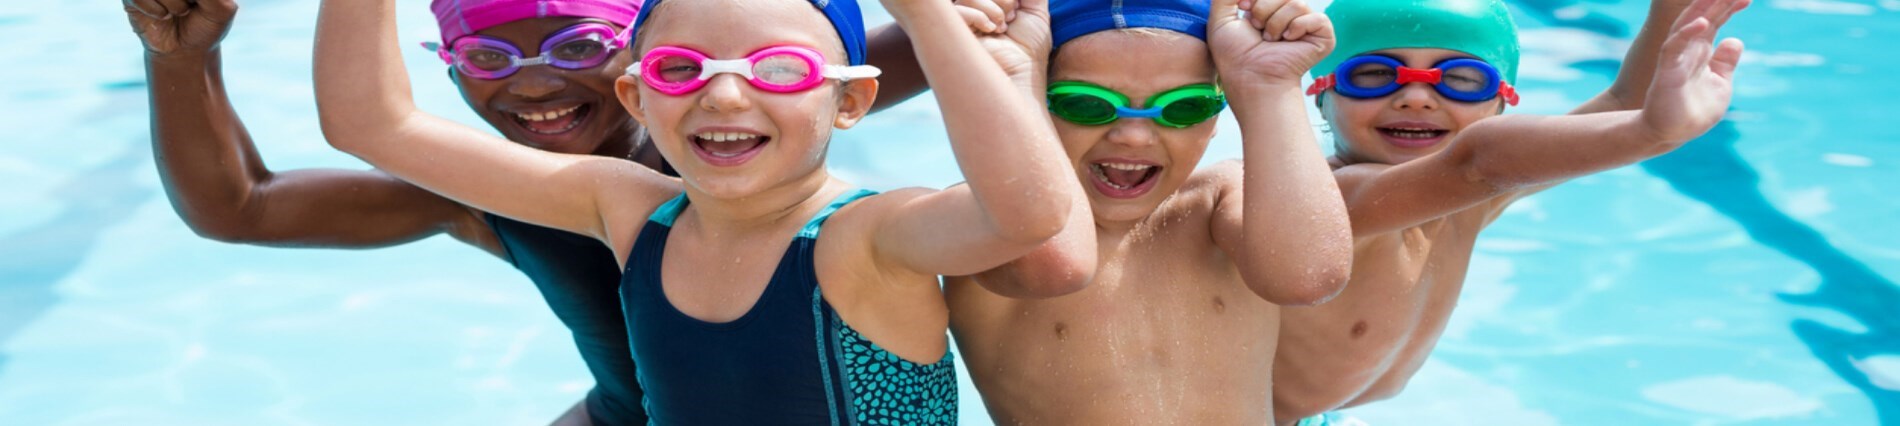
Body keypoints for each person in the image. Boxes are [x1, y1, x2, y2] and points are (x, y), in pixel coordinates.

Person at [120, 0, 937, 423]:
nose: (534, 85)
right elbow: (240, 207)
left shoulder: (739, 120)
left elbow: (953, 46)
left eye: (577, 47)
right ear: (449, 70)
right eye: (485, 56)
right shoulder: (487, 190)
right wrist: (182, 57)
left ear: (641, 58)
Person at [311, 0, 1085, 422]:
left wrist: (926, 18)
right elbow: (370, 124)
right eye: (682, 70)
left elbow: (1026, 214)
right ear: (635, 96)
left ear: (849, 100)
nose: (722, 93)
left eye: (777, 69)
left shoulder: (867, 237)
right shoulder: (626, 207)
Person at [1270, 0, 1750, 423]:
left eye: (1460, 80)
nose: (1415, 95)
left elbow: (1625, 103)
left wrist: (1675, 13)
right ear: (1323, 96)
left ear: (1502, 102)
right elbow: (1478, 162)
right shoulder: (1330, 201)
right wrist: (1650, 133)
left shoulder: (1464, 203)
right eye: (1373, 74)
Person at [945, 0, 1356, 423]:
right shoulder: (984, 218)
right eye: (1086, 103)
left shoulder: (1219, 201)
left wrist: (1270, 89)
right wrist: (1014, 83)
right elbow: (1057, 265)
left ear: (1217, 118)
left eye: (1184, 106)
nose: (1134, 135)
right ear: (1034, 100)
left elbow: (1309, 279)